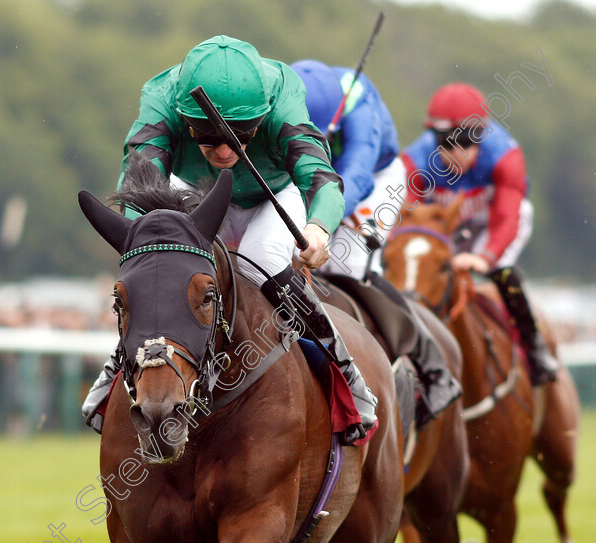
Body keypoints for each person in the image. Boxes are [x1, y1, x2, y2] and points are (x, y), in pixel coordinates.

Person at [81, 35, 378, 445]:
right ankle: (117, 366)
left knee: (264, 255)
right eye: (206, 136)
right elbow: (138, 181)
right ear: (185, 118)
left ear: (262, 117)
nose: (223, 150)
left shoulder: (283, 93)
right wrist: (143, 239)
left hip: (273, 195)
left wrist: (318, 228)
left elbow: (320, 177)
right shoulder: (161, 96)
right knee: (162, 264)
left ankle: (346, 371)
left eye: (240, 135)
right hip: (196, 193)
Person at [291, 60, 461, 423]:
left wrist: (319, 224)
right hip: (316, 178)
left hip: (375, 179)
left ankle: (431, 367)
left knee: (347, 264)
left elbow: (355, 174)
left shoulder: (359, 105)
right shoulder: (280, 98)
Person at [400, 82, 558, 386]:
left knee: (502, 272)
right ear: (433, 137)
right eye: (447, 142)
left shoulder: (505, 156)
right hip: (447, 228)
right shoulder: (415, 162)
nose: (458, 152)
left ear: (482, 134)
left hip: (496, 223)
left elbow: (507, 217)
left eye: (468, 140)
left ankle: (534, 346)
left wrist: (485, 257)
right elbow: (411, 228)